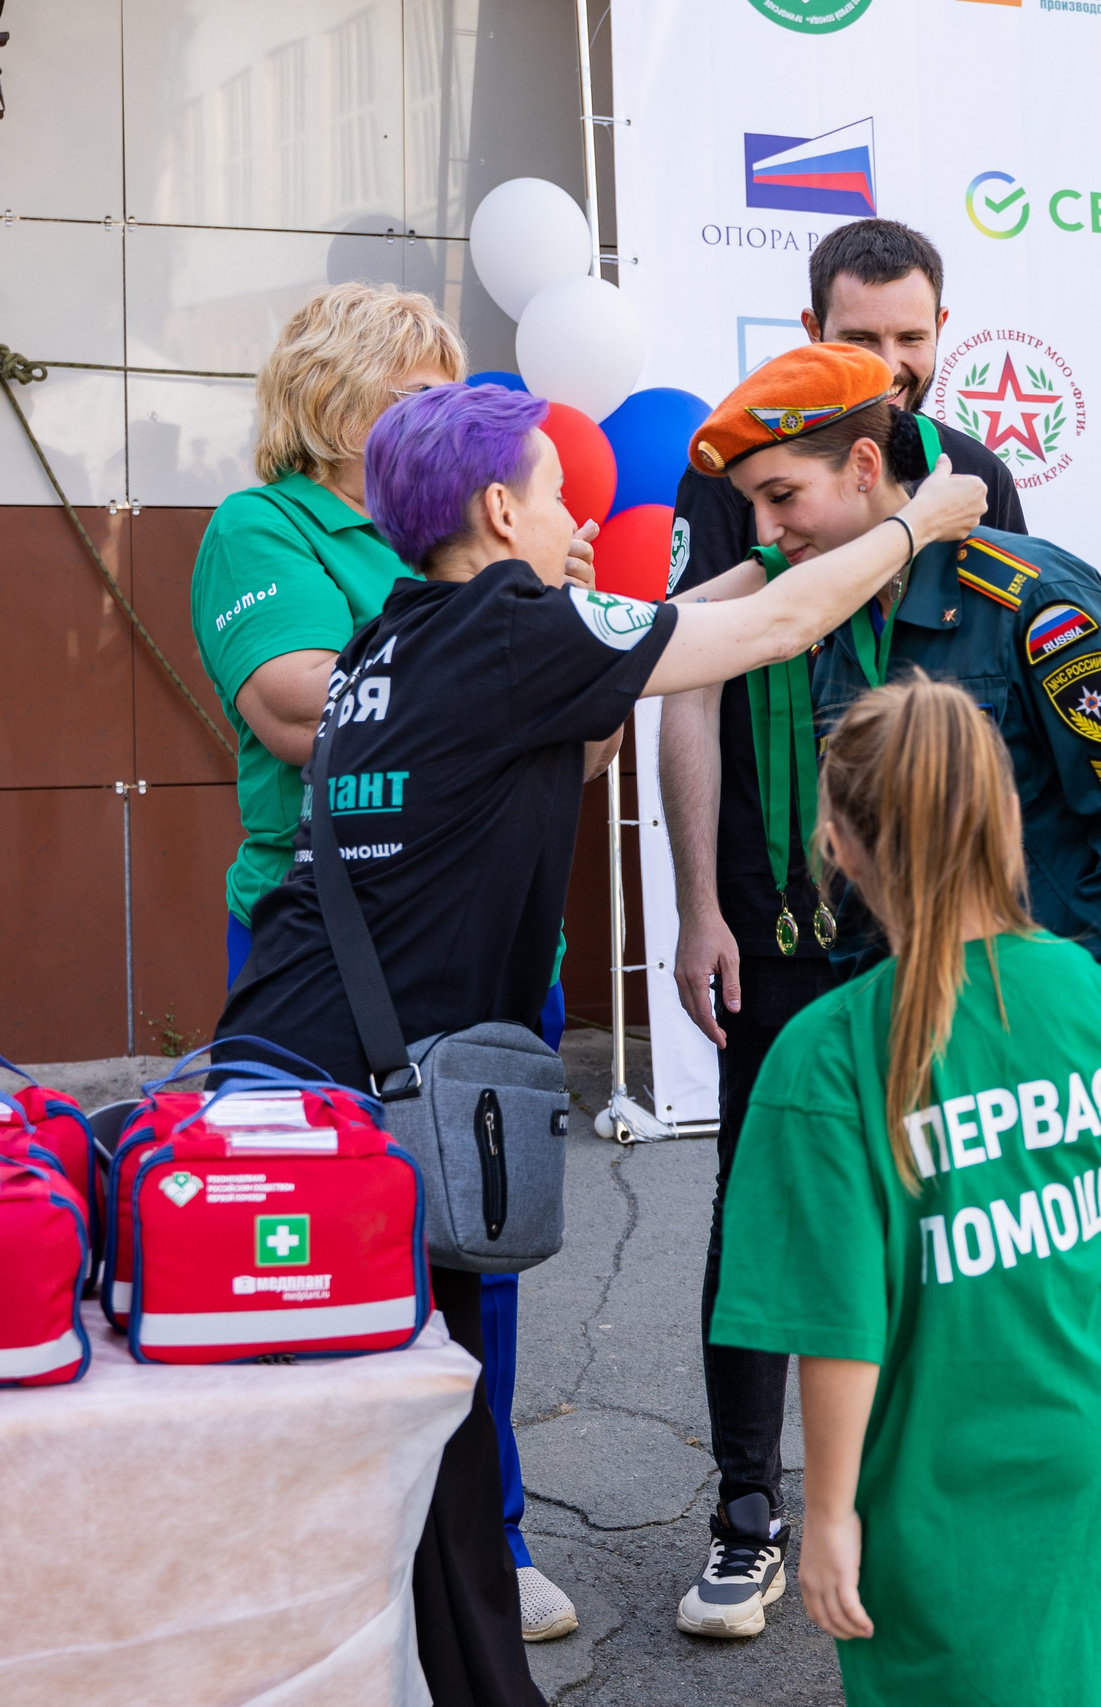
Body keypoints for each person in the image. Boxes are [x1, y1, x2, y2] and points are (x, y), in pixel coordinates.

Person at [216, 375, 986, 1705]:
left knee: (410, 1439)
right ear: (500, 508)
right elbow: (782, 627)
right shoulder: (516, 630)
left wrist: (767, 544)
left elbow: (675, 624)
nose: (582, 512)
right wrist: (920, 519)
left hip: (289, 1075)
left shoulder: (410, 632)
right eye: (559, 491)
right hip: (362, 1118)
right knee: (397, 1450)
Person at [184, 280, 578, 1639]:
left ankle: (490, 1538)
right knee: (328, 1258)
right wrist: (494, 647)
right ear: (342, 395)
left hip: (497, 949)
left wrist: (522, 656)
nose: (446, 419)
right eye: (420, 391)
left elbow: (574, 726)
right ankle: (343, 1557)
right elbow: (300, 704)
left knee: (484, 1245)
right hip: (337, 962)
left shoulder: (468, 541)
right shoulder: (268, 525)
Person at [659, 218, 1028, 1637]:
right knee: (764, 1211)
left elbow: (1004, 696)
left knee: (946, 1207)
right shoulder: (732, 470)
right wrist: (698, 901)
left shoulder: (977, 478)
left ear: (942, 331)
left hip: (929, 925)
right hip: (771, 918)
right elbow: (689, 676)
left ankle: (906, 1506)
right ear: (811, 326)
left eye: (911, 337)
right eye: (861, 337)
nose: (891, 364)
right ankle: (748, 1515)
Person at [705, 674, 1101, 1707]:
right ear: (1002, 815)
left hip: (928, 1471)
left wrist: (825, 1517)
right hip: (1087, 1440)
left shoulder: (825, 1053)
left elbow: (836, 1320)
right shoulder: (1080, 986)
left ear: (840, 842)